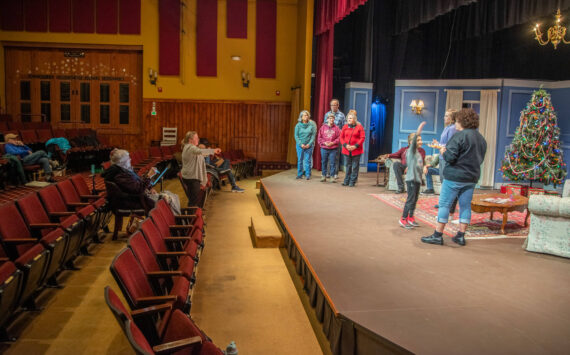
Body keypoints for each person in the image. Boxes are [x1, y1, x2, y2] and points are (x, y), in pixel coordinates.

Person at [421, 108, 487, 246]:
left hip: (454, 177)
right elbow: (480, 159)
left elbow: (450, 157)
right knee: (465, 206)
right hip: (471, 177)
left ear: (462, 121)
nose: (455, 124)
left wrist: (443, 151)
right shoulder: (481, 139)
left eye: (457, 121)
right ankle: (461, 236)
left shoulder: (459, 136)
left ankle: (438, 235)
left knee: (444, 204)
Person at [181, 131, 220, 206]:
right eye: (196, 138)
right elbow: (199, 151)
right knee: (193, 201)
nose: (198, 139)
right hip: (191, 178)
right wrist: (213, 151)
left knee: (193, 200)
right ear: (190, 140)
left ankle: (193, 215)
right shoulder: (189, 147)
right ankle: (191, 216)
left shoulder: (190, 147)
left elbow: (200, 153)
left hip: (191, 177)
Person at [399, 121, 426, 228]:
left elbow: (418, 166)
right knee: (410, 199)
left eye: (420, 139)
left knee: (415, 200)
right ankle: (403, 219)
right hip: (411, 179)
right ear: (411, 142)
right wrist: (419, 129)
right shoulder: (411, 151)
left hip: (417, 179)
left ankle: (411, 217)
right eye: (418, 140)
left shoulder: (418, 152)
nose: (420, 141)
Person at [340, 110, 365, 187]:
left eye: (350, 118)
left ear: (354, 119)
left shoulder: (359, 127)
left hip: (356, 150)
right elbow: (341, 137)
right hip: (346, 149)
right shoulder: (345, 127)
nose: (349, 120)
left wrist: (355, 146)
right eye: (348, 118)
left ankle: (352, 181)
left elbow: (362, 137)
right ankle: (346, 180)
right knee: (348, 166)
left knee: (354, 167)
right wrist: (345, 145)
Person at [323, 99, 346, 180]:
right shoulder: (327, 114)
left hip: (337, 139)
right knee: (328, 157)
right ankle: (328, 173)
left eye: (335, 105)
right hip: (328, 138)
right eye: (332, 105)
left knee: (336, 157)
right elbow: (324, 126)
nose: (333, 107)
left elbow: (344, 127)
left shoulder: (342, 115)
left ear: (338, 105)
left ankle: (335, 173)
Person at [317, 113, 341, 182]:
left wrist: (332, 143)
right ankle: (323, 175)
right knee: (324, 162)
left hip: (333, 148)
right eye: (330, 118)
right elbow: (319, 138)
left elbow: (339, 138)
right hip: (324, 148)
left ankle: (332, 176)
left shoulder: (336, 128)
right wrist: (324, 143)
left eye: (332, 118)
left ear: (334, 119)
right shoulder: (323, 127)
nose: (331, 119)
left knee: (332, 163)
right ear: (327, 119)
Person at [294, 110, 317, 180]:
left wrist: (309, 144)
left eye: (307, 115)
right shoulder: (298, 125)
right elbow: (296, 136)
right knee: (300, 160)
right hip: (300, 145)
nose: (306, 117)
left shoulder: (312, 124)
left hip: (309, 145)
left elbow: (313, 135)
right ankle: (299, 174)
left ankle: (307, 174)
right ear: (301, 117)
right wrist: (301, 144)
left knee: (307, 160)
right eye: (304, 115)